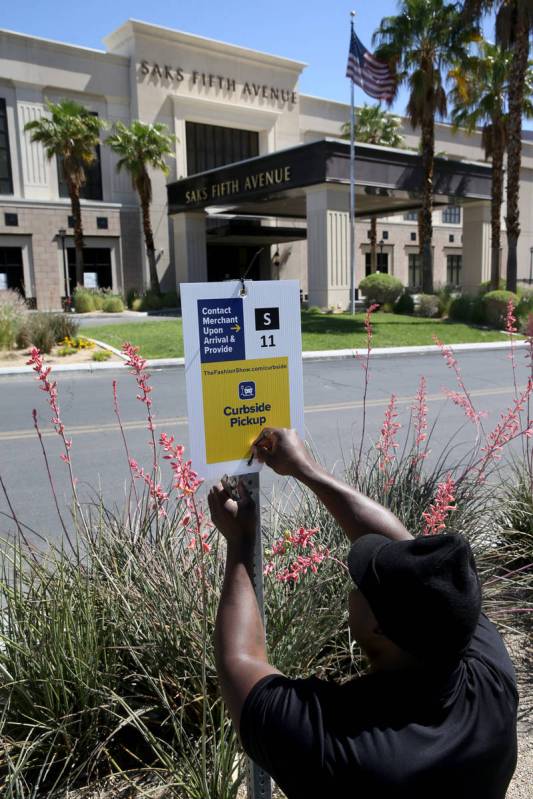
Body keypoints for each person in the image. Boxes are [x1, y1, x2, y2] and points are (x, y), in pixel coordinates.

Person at [208, 427, 518, 799]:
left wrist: (240, 542)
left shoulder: (333, 742)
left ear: (379, 629)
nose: (352, 586)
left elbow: (238, 660)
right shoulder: (491, 682)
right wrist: (306, 469)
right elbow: (416, 562)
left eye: (360, 583)